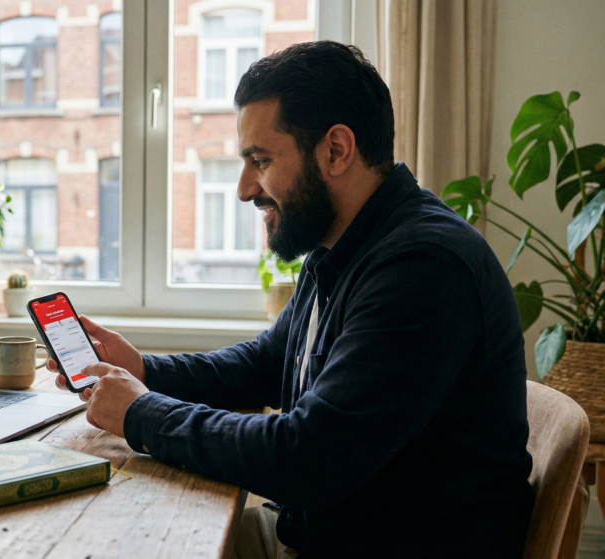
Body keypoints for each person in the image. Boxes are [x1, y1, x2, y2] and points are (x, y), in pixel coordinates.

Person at [47, 41, 534, 558]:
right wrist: (146, 370)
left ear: (336, 150)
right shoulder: (343, 244)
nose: (243, 189)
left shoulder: (422, 268)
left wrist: (143, 414)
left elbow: (308, 458)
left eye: (260, 160)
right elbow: (268, 360)